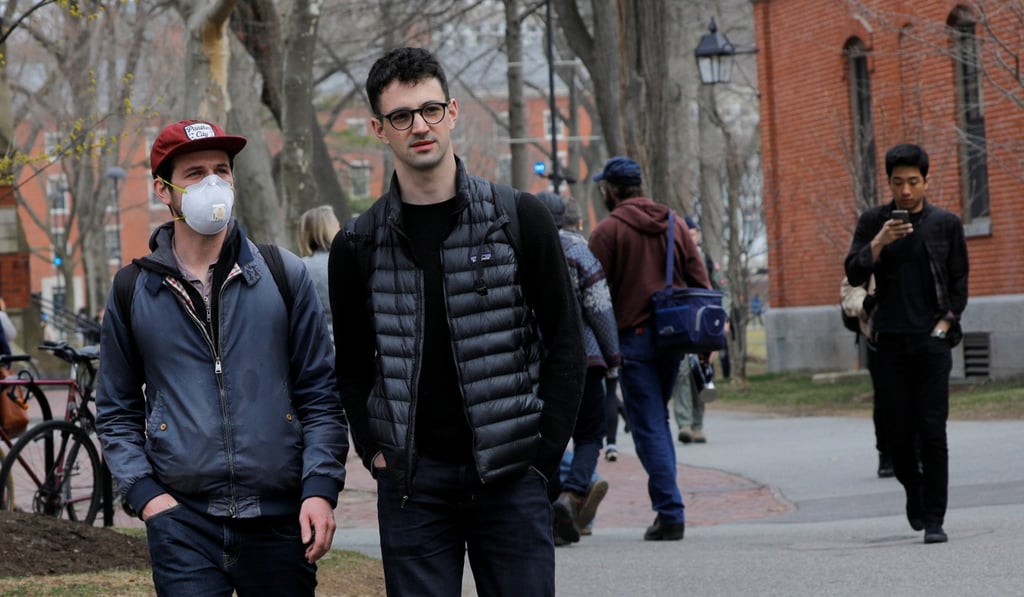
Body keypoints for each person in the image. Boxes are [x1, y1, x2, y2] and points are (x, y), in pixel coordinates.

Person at [329, 48, 585, 595]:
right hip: (413, 488)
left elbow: (566, 342)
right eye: (402, 116)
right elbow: (351, 365)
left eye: (431, 109)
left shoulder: (518, 217)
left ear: (453, 113)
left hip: (512, 475)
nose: (419, 126)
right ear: (379, 129)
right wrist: (374, 450)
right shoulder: (358, 243)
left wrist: (543, 456)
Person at [95, 118, 348, 595]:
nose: (213, 182)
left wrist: (319, 490)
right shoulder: (134, 289)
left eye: (222, 170)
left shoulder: (282, 274)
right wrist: (149, 498)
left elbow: (321, 397)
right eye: (195, 173)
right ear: (162, 190)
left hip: (278, 522)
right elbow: (115, 410)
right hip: (183, 523)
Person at [844, 143, 968, 544]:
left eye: (913, 182)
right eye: (898, 183)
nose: (907, 191)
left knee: (932, 431)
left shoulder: (945, 224)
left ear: (926, 181)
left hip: (931, 344)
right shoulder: (873, 221)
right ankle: (913, 489)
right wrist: (879, 242)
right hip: (888, 344)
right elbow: (854, 270)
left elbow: (959, 284)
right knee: (897, 435)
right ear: (890, 184)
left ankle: (935, 519)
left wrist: (945, 325)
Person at [588, 156, 711, 541]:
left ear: (610, 190)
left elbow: (594, 295)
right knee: (659, 421)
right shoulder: (674, 224)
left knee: (649, 426)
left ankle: (670, 512)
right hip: (673, 337)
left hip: (634, 339)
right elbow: (700, 280)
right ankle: (668, 506)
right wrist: (706, 341)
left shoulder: (607, 232)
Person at [536, 192, 620, 545]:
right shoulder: (579, 252)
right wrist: (613, 356)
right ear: (572, 221)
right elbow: (599, 308)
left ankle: (554, 509)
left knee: (547, 435)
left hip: (538, 361)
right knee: (589, 434)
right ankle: (572, 496)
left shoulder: (524, 250)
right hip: (585, 358)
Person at [673, 215, 722, 444]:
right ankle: (685, 424)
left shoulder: (707, 261)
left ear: (698, 235)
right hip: (683, 322)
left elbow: (721, 292)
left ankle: (698, 423)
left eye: (692, 233)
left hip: (702, 324)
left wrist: (723, 320)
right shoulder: (674, 258)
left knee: (699, 374)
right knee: (682, 373)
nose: (690, 238)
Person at [840, 275, 894, 478]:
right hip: (880, 337)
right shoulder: (871, 245)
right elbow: (850, 287)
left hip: (920, 331)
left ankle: (918, 453)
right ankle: (886, 454)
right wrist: (866, 305)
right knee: (885, 399)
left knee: (918, 397)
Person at [297, 205, 342, 343]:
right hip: (350, 351)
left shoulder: (298, 268)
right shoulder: (350, 262)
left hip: (315, 351)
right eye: (338, 226)